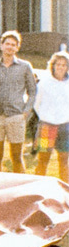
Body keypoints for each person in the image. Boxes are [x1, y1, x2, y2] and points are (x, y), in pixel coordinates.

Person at [0, 30, 36, 173]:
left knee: (16, 157)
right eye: (7, 44)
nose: (10, 47)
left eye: (13, 45)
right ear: (1, 46)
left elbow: (32, 91)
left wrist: (26, 112)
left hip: (16, 116)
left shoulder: (25, 67)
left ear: (17, 48)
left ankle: (22, 190)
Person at [33, 51, 69, 181]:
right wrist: (45, 117)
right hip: (46, 126)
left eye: (64, 65)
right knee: (43, 160)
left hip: (65, 127)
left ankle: (66, 193)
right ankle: (38, 190)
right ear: (53, 65)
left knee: (64, 161)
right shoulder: (44, 82)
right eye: (58, 64)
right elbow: (36, 104)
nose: (60, 67)